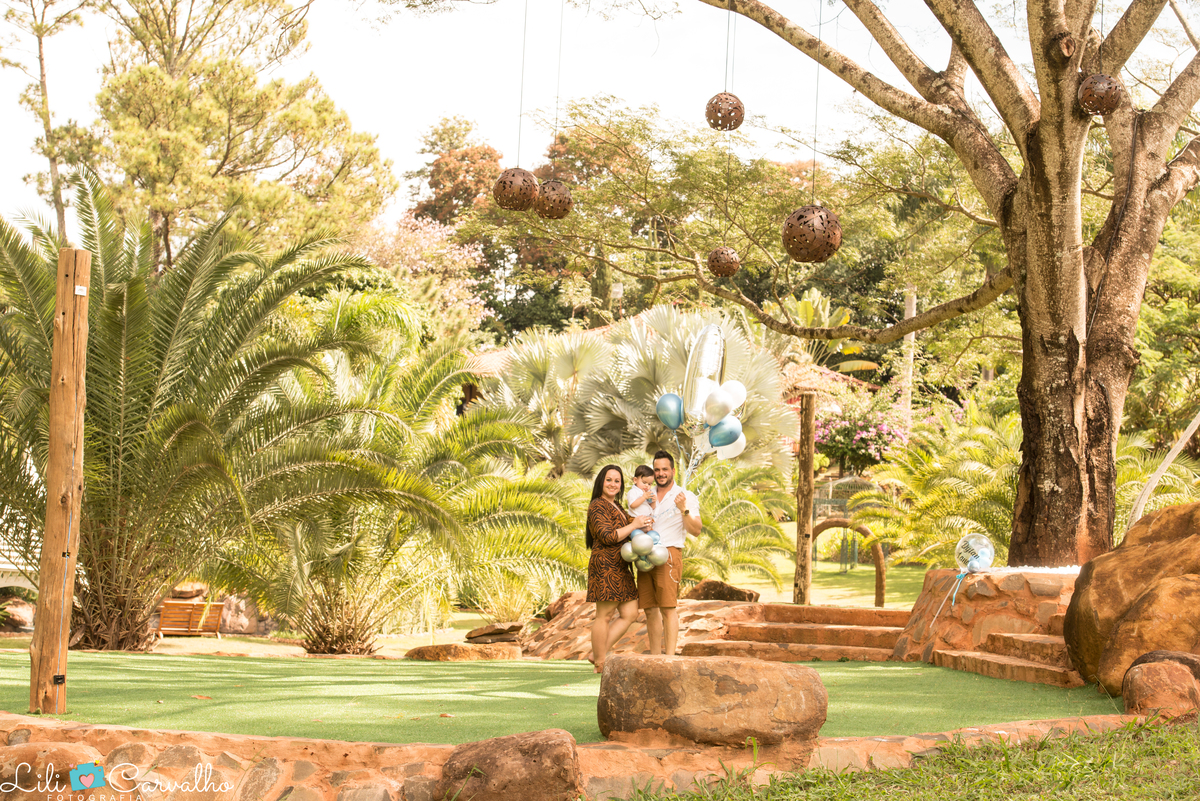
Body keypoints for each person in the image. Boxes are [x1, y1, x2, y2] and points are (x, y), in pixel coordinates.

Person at [586, 464, 653, 672]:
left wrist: (641, 523)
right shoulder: (597, 505)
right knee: (604, 616)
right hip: (605, 565)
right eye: (609, 480)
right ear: (601, 482)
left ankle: (597, 652)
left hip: (621, 566)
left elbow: (626, 524)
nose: (613, 484)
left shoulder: (616, 506)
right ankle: (600, 662)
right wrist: (634, 526)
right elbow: (607, 536)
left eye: (617, 481)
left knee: (630, 612)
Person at [638, 450, 701, 656]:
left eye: (665, 469)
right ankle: (656, 658)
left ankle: (670, 658)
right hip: (645, 554)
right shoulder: (646, 495)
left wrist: (684, 509)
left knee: (667, 608)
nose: (660, 473)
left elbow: (696, 530)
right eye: (657, 469)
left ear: (673, 470)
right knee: (649, 609)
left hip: (668, 554)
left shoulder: (685, 496)